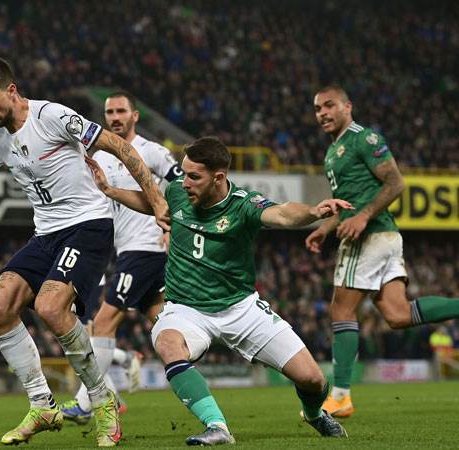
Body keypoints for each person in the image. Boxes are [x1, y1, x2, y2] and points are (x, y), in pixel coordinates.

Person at [0, 56, 168, 447]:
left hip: (89, 225)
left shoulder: (52, 116)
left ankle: (102, 399)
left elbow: (120, 148)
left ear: (11, 90)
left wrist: (156, 201)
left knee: (50, 307)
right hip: (46, 235)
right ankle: (42, 404)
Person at [86, 136, 350, 445]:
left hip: (241, 308)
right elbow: (154, 201)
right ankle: (217, 426)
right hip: (186, 309)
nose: (184, 182)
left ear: (218, 177)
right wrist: (110, 190)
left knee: (313, 380)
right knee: (168, 343)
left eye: (194, 176)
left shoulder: (243, 205)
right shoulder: (179, 193)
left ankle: (315, 414)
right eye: (184, 173)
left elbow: (282, 213)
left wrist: (315, 213)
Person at [308, 85, 459, 417]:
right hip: (383, 236)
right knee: (398, 315)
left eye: (329, 105)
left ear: (348, 106)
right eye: (318, 109)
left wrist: (363, 217)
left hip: (371, 235)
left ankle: (341, 396)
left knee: (341, 310)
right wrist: (325, 227)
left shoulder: (364, 139)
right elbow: (348, 204)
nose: (322, 113)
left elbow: (396, 183)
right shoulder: (334, 151)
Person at [61, 92, 181, 424]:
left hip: (146, 249)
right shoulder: (98, 154)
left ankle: (89, 402)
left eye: (120, 111)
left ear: (135, 116)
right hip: (125, 249)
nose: (114, 117)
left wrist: (172, 227)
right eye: (109, 112)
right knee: (165, 324)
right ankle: (199, 370)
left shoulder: (152, 152)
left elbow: (182, 185)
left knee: (103, 321)